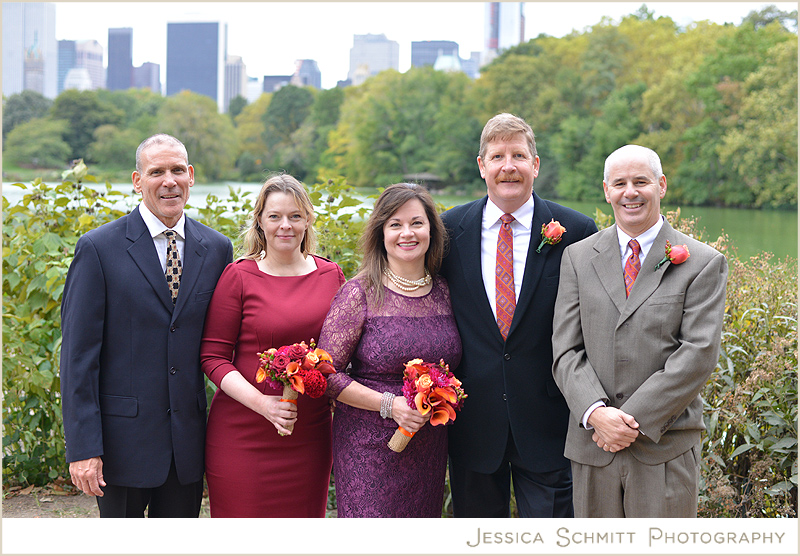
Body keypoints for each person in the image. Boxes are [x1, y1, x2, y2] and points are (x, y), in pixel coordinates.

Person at [60, 134, 233, 518]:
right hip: (120, 447)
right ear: (138, 181)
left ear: (190, 176)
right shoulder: (98, 249)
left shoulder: (217, 249)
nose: (168, 181)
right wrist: (84, 448)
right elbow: (77, 359)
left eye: (176, 171)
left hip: (186, 446)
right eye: (156, 172)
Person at [551, 144, 728, 517]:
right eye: (619, 183)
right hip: (593, 445)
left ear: (661, 185)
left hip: (663, 449)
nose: (629, 192)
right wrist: (596, 413)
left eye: (640, 181)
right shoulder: (578, 257)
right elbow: (566, 350)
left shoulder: (703, 263)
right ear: (606, 190)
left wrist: (631, 421)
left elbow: (697, 354)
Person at [439, 113, 598, 518]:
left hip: (550, 423)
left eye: (518, 155)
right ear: (482, 166)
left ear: (535, 164)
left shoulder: (577, 232)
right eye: (497, 156)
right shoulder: (448, 230)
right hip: (472, 422)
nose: (508, 166)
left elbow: (594, 326)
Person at [200, 174, 345, 517]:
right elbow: (213, 357)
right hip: (243, 434)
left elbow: (342, 354)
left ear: (308, 219)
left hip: (309, 434)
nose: (286, 226)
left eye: (295, 216)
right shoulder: (239, 276)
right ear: (260, 221)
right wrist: (263, 404)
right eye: (275, 216)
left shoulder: (331, 276)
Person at [317, 183, 462, 517]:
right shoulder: (359, 293)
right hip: (367, 444)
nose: (406, 233)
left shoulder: (445, 291)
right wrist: (389, 405)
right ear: (381, 232)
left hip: (428, 444)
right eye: (395, 224)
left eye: (416, 223)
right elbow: (325, 373)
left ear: (431, 230)